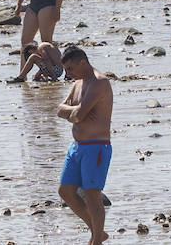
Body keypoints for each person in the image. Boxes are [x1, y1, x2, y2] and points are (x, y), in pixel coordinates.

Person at [56, 46, 113, 245]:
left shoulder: (99, 82)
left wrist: (73, 113)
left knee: (92, 195)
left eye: (70, 69)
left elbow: (78, 115)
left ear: (83, 62)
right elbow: (60, 110)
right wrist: (74, 112)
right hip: (77, 146)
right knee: (65, 191)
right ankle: (98, 233)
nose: (67, 74)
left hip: (96, 146)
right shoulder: (78, 83)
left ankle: (96, 240)